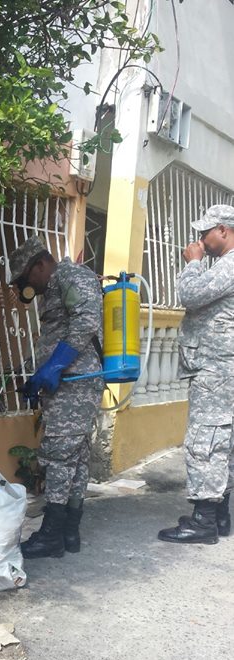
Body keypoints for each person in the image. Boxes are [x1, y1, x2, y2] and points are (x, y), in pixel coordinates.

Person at [8, 235, 103, 558]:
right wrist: (36, 373)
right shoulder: (56, 288)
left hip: (76, 383)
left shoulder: (71, 276)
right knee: (74, 458)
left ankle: (51, 535)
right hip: (68, 383)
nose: (25, 287)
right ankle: (68, 532)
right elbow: (55, 337)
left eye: (24, 279)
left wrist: (56, 367)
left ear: (39, 265)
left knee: (60, 456)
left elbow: (87, 321)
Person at [158, 204, 234, 545]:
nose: (200, 239)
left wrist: (192, 262)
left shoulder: (230, 265)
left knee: (206, 441)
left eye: (205, 232)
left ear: (224, 230)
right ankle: (219, 516)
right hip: (222, 368)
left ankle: (204, 522)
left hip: (217, 370)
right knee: (223, 443)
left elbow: (190, 295)